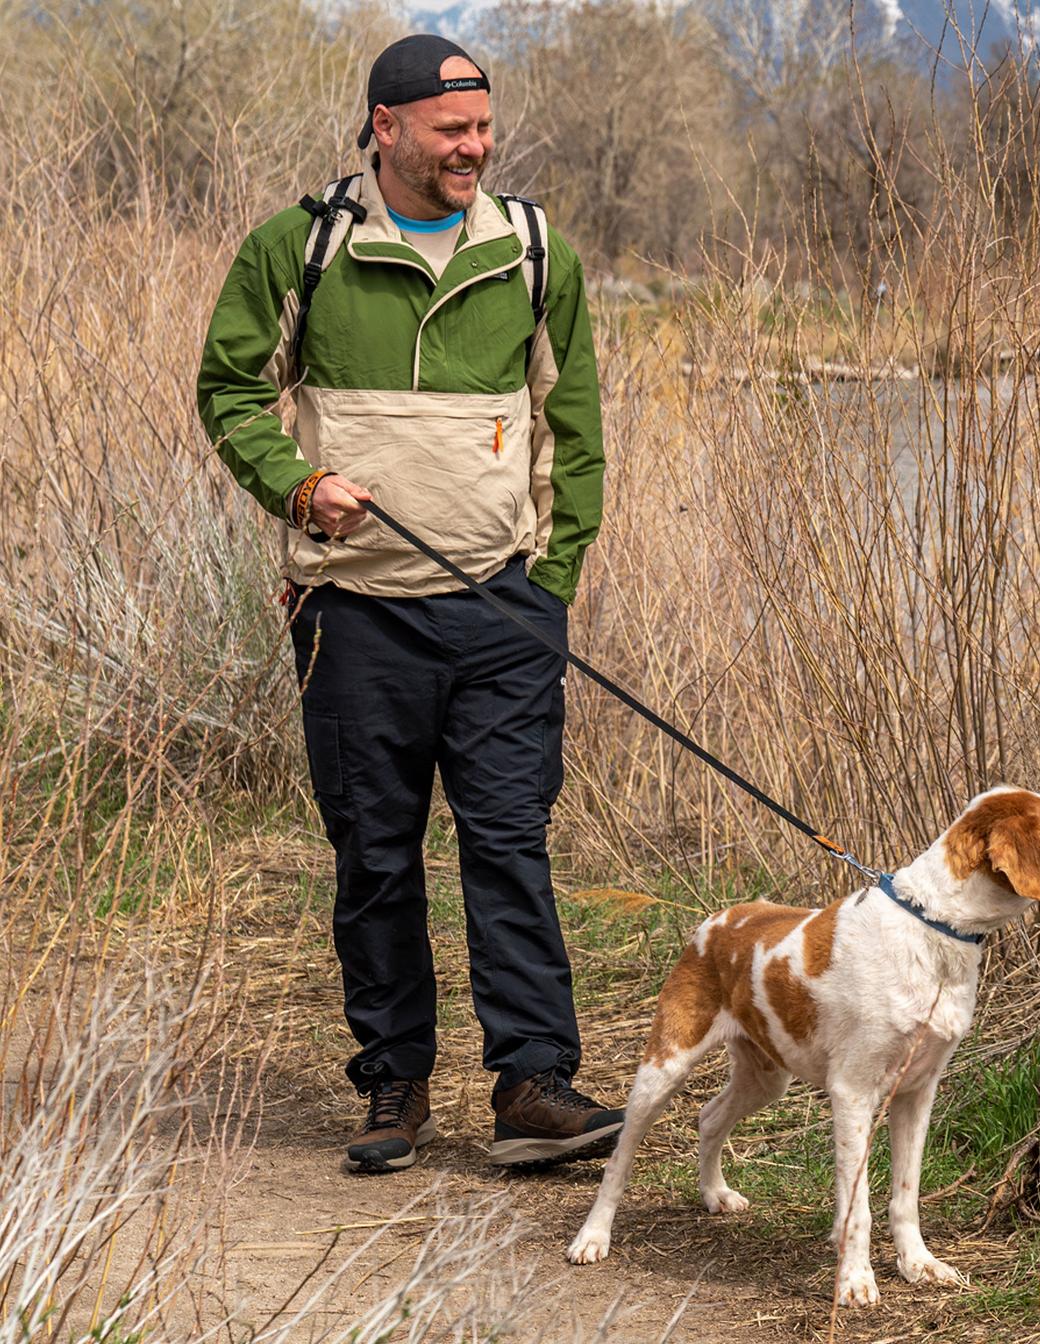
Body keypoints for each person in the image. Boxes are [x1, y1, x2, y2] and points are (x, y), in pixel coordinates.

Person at [197, 34, 621, 1173]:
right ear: (384, 127)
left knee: (507, 845)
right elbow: (231, 390)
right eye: (451, 132)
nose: (473, 149)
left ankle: (532, 1084)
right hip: (355, 613)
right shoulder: (302, 249)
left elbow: (572, 432)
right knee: (374, 856)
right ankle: (393, 1087)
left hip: (501, 614)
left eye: (482, 129)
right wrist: (297, 482)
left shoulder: (532, 253)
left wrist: (552, 583)